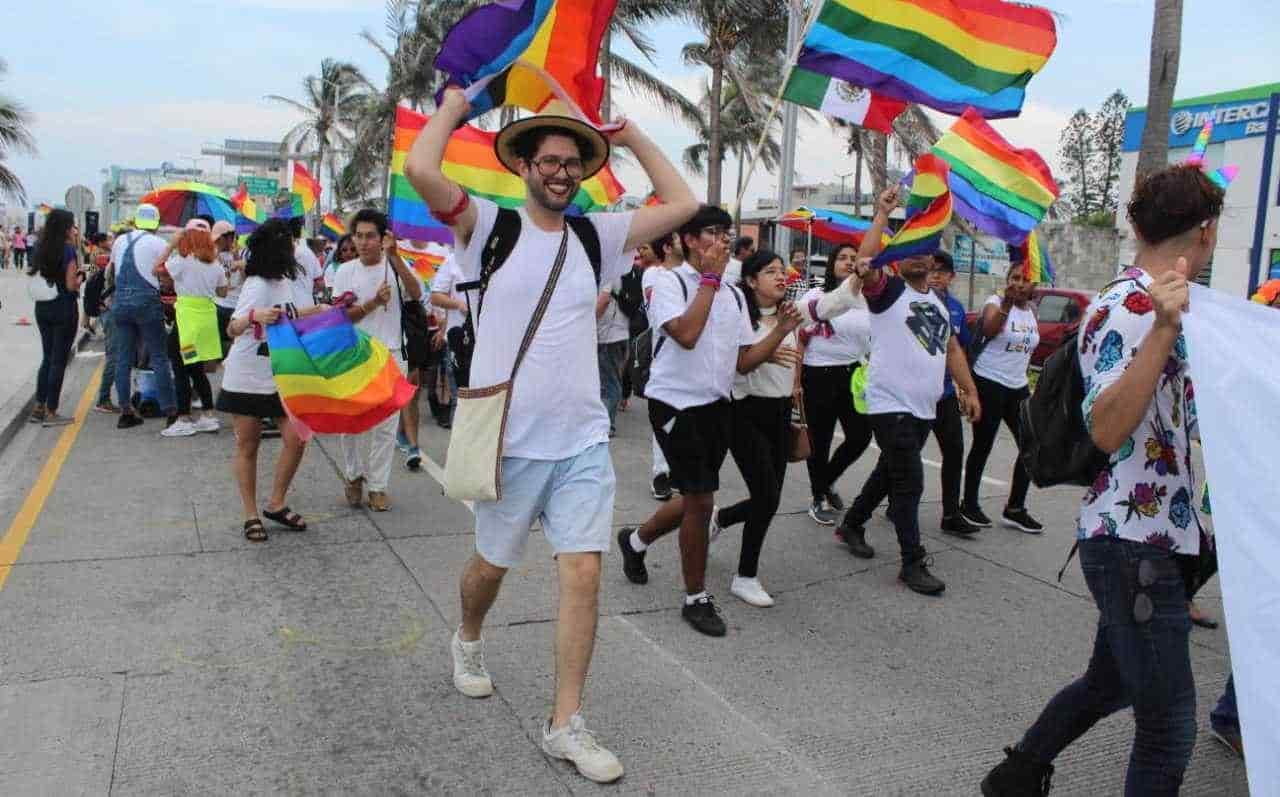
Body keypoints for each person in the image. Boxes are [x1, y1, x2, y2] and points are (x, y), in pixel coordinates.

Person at [406, 87, 697, 784]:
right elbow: (422, 169)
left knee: (585, 571)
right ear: (524, 166)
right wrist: (451, 107)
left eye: (573, 162)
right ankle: (468, 637)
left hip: (582, 441)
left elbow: (684, 204)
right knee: (490, 570)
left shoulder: (597, 236)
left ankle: (565, 721)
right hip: (509, 441)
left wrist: (629, 136)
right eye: (550, 160)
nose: (562, 171)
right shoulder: (486, 228)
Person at [980, 163, 1222, 796]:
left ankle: (1017, 775)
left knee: (1108, 684)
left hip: (1154, 536)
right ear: (1206, 231)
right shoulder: (1134, 308)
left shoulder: (1162, 300)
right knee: (1169, 724)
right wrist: (1165, 330)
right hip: (1132, 542)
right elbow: (1109, 428)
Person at [617, 205, 786, 637]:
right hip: (675, 406)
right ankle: (695, 597)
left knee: (697, 498)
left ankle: (635, 540)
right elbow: (686, 335)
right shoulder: (664, 280)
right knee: (702, 498)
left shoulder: (732, 294)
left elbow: (743, 361)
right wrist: (709, 280)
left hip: (718, 405)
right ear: (689, 240)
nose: (724, 241)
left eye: (727, 234)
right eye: (713, 233)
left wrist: (780, 331)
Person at [833, 188, 982, 596]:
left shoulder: (934, 301)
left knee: (889, 474)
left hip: (924, 407)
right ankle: (911, 562)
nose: (918, 256)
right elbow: (865, 265)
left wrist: (969, 389)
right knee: (910, 482)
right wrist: (881, 214)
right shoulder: (889, 292)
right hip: (889, 404)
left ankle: (851, 524)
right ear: (897, 258)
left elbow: (951, 347)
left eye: (925, 249)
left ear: (933, 260)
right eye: (910, 248)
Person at [216, 218, 323, 543]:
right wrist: (253, 317)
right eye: (289, 244)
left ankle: (276, 502)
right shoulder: (258, 285)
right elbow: (232, 328)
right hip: (247, 374)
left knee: (298, 438)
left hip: (279, 375)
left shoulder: (284, 283)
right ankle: (251, 515)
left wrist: (320, 310)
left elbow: (287, 315)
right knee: (249, 445)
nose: (294, 249)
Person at [711, 250, 805, 607]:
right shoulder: (739, 318)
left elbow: (836, 301)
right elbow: (740, 366)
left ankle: (722, 517)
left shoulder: (789, 315)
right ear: (751, 280)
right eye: (771, 271)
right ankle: (745, 576)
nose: (781, 277)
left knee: (771, 498)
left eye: (783, 271)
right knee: (766, 495)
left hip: (779, 414)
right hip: (744, 412)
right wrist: (774, 340)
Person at [331, 209, 423, 511]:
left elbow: (416, 293)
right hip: (355, 354)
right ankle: (354, 475)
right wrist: (373, 303)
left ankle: (379, 486)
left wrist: (395, 257)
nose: (364, 242)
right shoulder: (345, 271)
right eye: (359, 236)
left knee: (385, 425)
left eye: (371, 236)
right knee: (352, 422)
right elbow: (341, 316)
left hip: (392, 354)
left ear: (383, 238)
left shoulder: (395, 267)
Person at [961, 263, 1042, 533]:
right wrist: (1006, 303)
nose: (1019, 283)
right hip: (989, 382)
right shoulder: (994, 302)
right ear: (1007, 281)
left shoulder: (1031, 311)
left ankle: (1015, 508)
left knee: (1031, 446)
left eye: (1025, 279)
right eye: (1014, 278)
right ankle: (969, 505)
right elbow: (989, 330)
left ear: (1033, 286)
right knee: (983, 445)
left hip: (1018, 386)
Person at [798, 242, 873, 525]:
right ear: (831, 264)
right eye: (841, 257)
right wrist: (796, 381)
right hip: (818, 374)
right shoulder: (818, 295)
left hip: (853, 373)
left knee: (860, 436)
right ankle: (817, 497)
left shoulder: (866, 299)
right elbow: (800, 339)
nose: (847, 262)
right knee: (820, 440)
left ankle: (824, 482)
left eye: (853, 258)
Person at [109, 204, 179, 431]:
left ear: (136, 221)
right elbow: (166, 277)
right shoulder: (159, 243)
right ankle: (170, 412)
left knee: (123, 358)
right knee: (158, 357)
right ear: (156, 224)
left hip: (121, 302)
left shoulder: (120, 241)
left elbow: (111, 272)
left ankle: (126, 411)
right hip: (147, 302)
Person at [155, 219, 226, 436]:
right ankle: (208, 415)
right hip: (206, 321)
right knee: (196, 368)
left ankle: (184, 418)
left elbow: (156, 269)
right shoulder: (215, 264)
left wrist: (170, 245)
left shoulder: (183, 261)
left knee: (180, 367)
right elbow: (222, 292)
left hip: (187, 324)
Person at [926, 253, 981, 536]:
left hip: (946, 394)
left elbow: (961, 351)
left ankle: (951, 514)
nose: (936, 275)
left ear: (951, 277)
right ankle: (883, 506)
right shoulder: (917, 303)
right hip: (919, 395)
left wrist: (965, 389)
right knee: (899, 459)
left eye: (942, 271)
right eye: (932, 270)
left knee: (955, 452)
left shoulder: (957, 309)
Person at [28, 209, 83, 427]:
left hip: (43, 306)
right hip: (63, 306)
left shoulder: (41, 247)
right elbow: (71, 284)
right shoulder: (68, 249)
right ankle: (52, 411)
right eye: (72, 225)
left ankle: (39, 407)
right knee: (59, 360)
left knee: (47, 357)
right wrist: (81, 276)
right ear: (66, 227)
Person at [428, 252, 468, 430]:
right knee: (460, 400)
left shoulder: (492, 257)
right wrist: (458, 305)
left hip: (487, 342)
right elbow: (435, 296)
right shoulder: (453, 260)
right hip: (458, 342)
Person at [596, 258, 632, 435]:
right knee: (610, 379)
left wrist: (586, 323)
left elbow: (603, 301)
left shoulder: (609, 270)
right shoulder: (618, 269)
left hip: (608, 336)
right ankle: (605, 423)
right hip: (619, 333)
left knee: (609, 382)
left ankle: (607, 425)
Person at [212, 220, 246, 359]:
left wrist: (237, 257)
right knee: (218, 342)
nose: (232, 240)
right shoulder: (212, 255)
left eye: (233, 237)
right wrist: (217, 252)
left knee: (236, 340)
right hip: (220, 304)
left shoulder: (241, 254)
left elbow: (245, 279)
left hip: (236, 305)